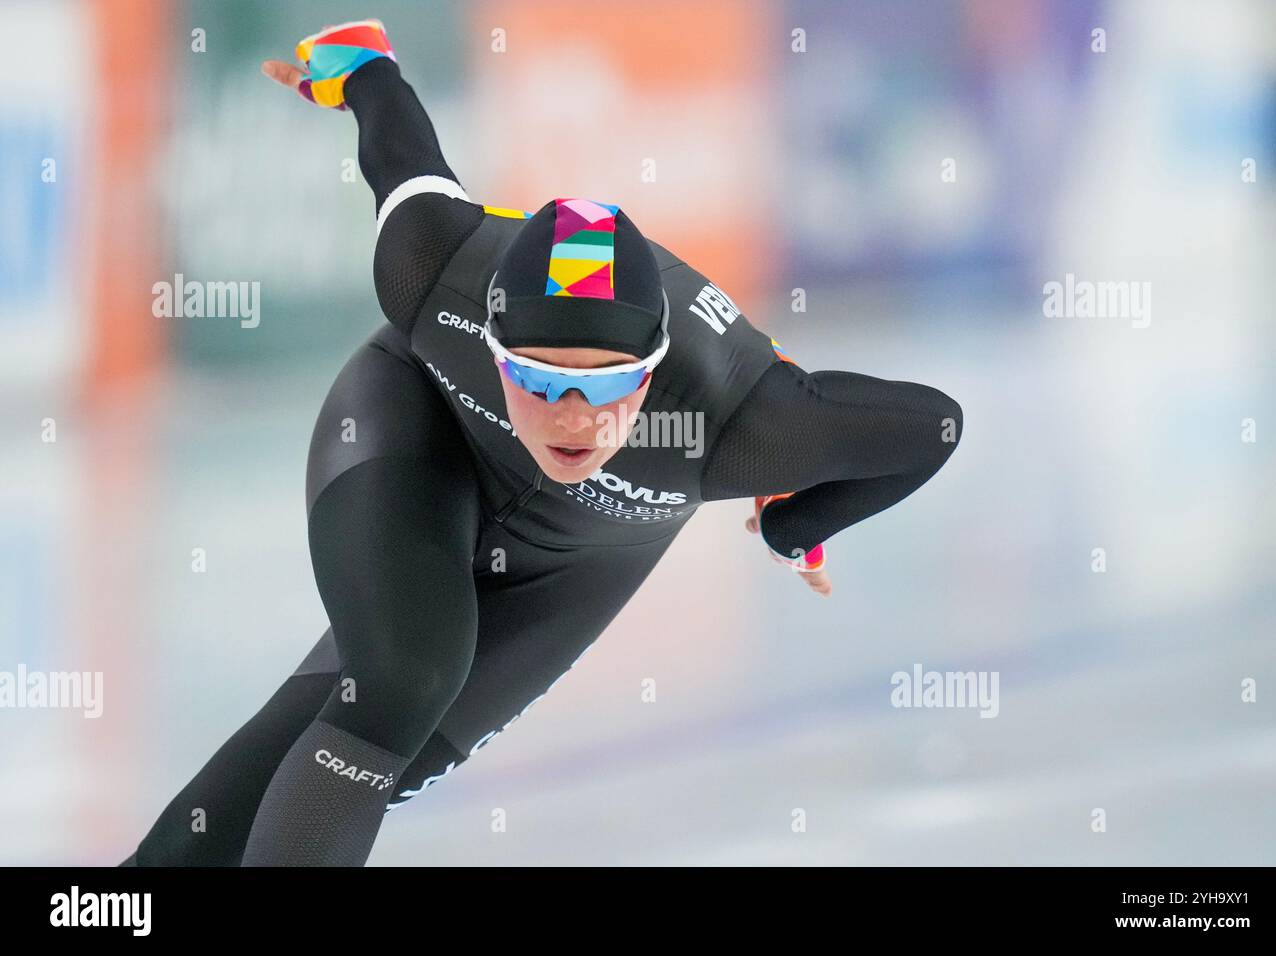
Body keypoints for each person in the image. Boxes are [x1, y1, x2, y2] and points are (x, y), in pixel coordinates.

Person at [121, 19, 963, 867]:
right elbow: (396, 139)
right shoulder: (430, 268)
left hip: (584, 558)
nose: (571, 418)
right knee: (401, 679)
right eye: (539, 377)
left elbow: (933, 428)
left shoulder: (743, 428)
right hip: (422, 431)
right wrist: (361, 66)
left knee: (348, 756)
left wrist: (793, 524)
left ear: (651, 374)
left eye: (603, 388)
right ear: (489, 343)